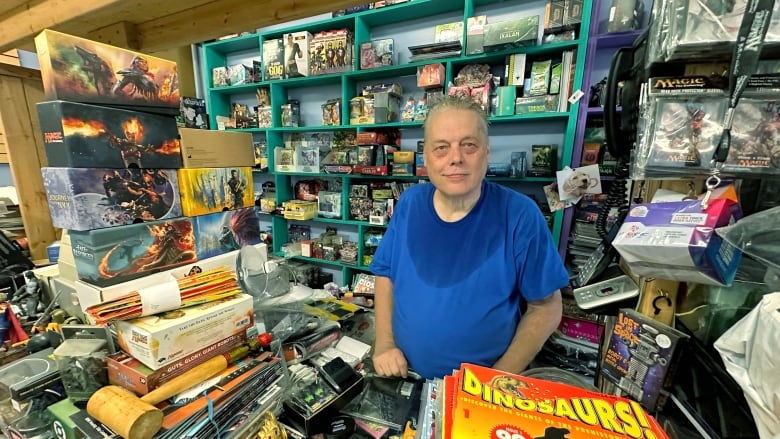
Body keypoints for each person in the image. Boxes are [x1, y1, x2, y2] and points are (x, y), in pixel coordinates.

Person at [369, 95, 568, 380]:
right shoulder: (410, 202)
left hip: (482, 389)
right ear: (426, 156)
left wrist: (496, 381)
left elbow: (547, 308)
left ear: (486, 152)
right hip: (404, 374)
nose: (456, 158)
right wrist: (385, 344)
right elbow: (385, 274)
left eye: (468, 145)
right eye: (442, 148)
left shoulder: (520, 214)